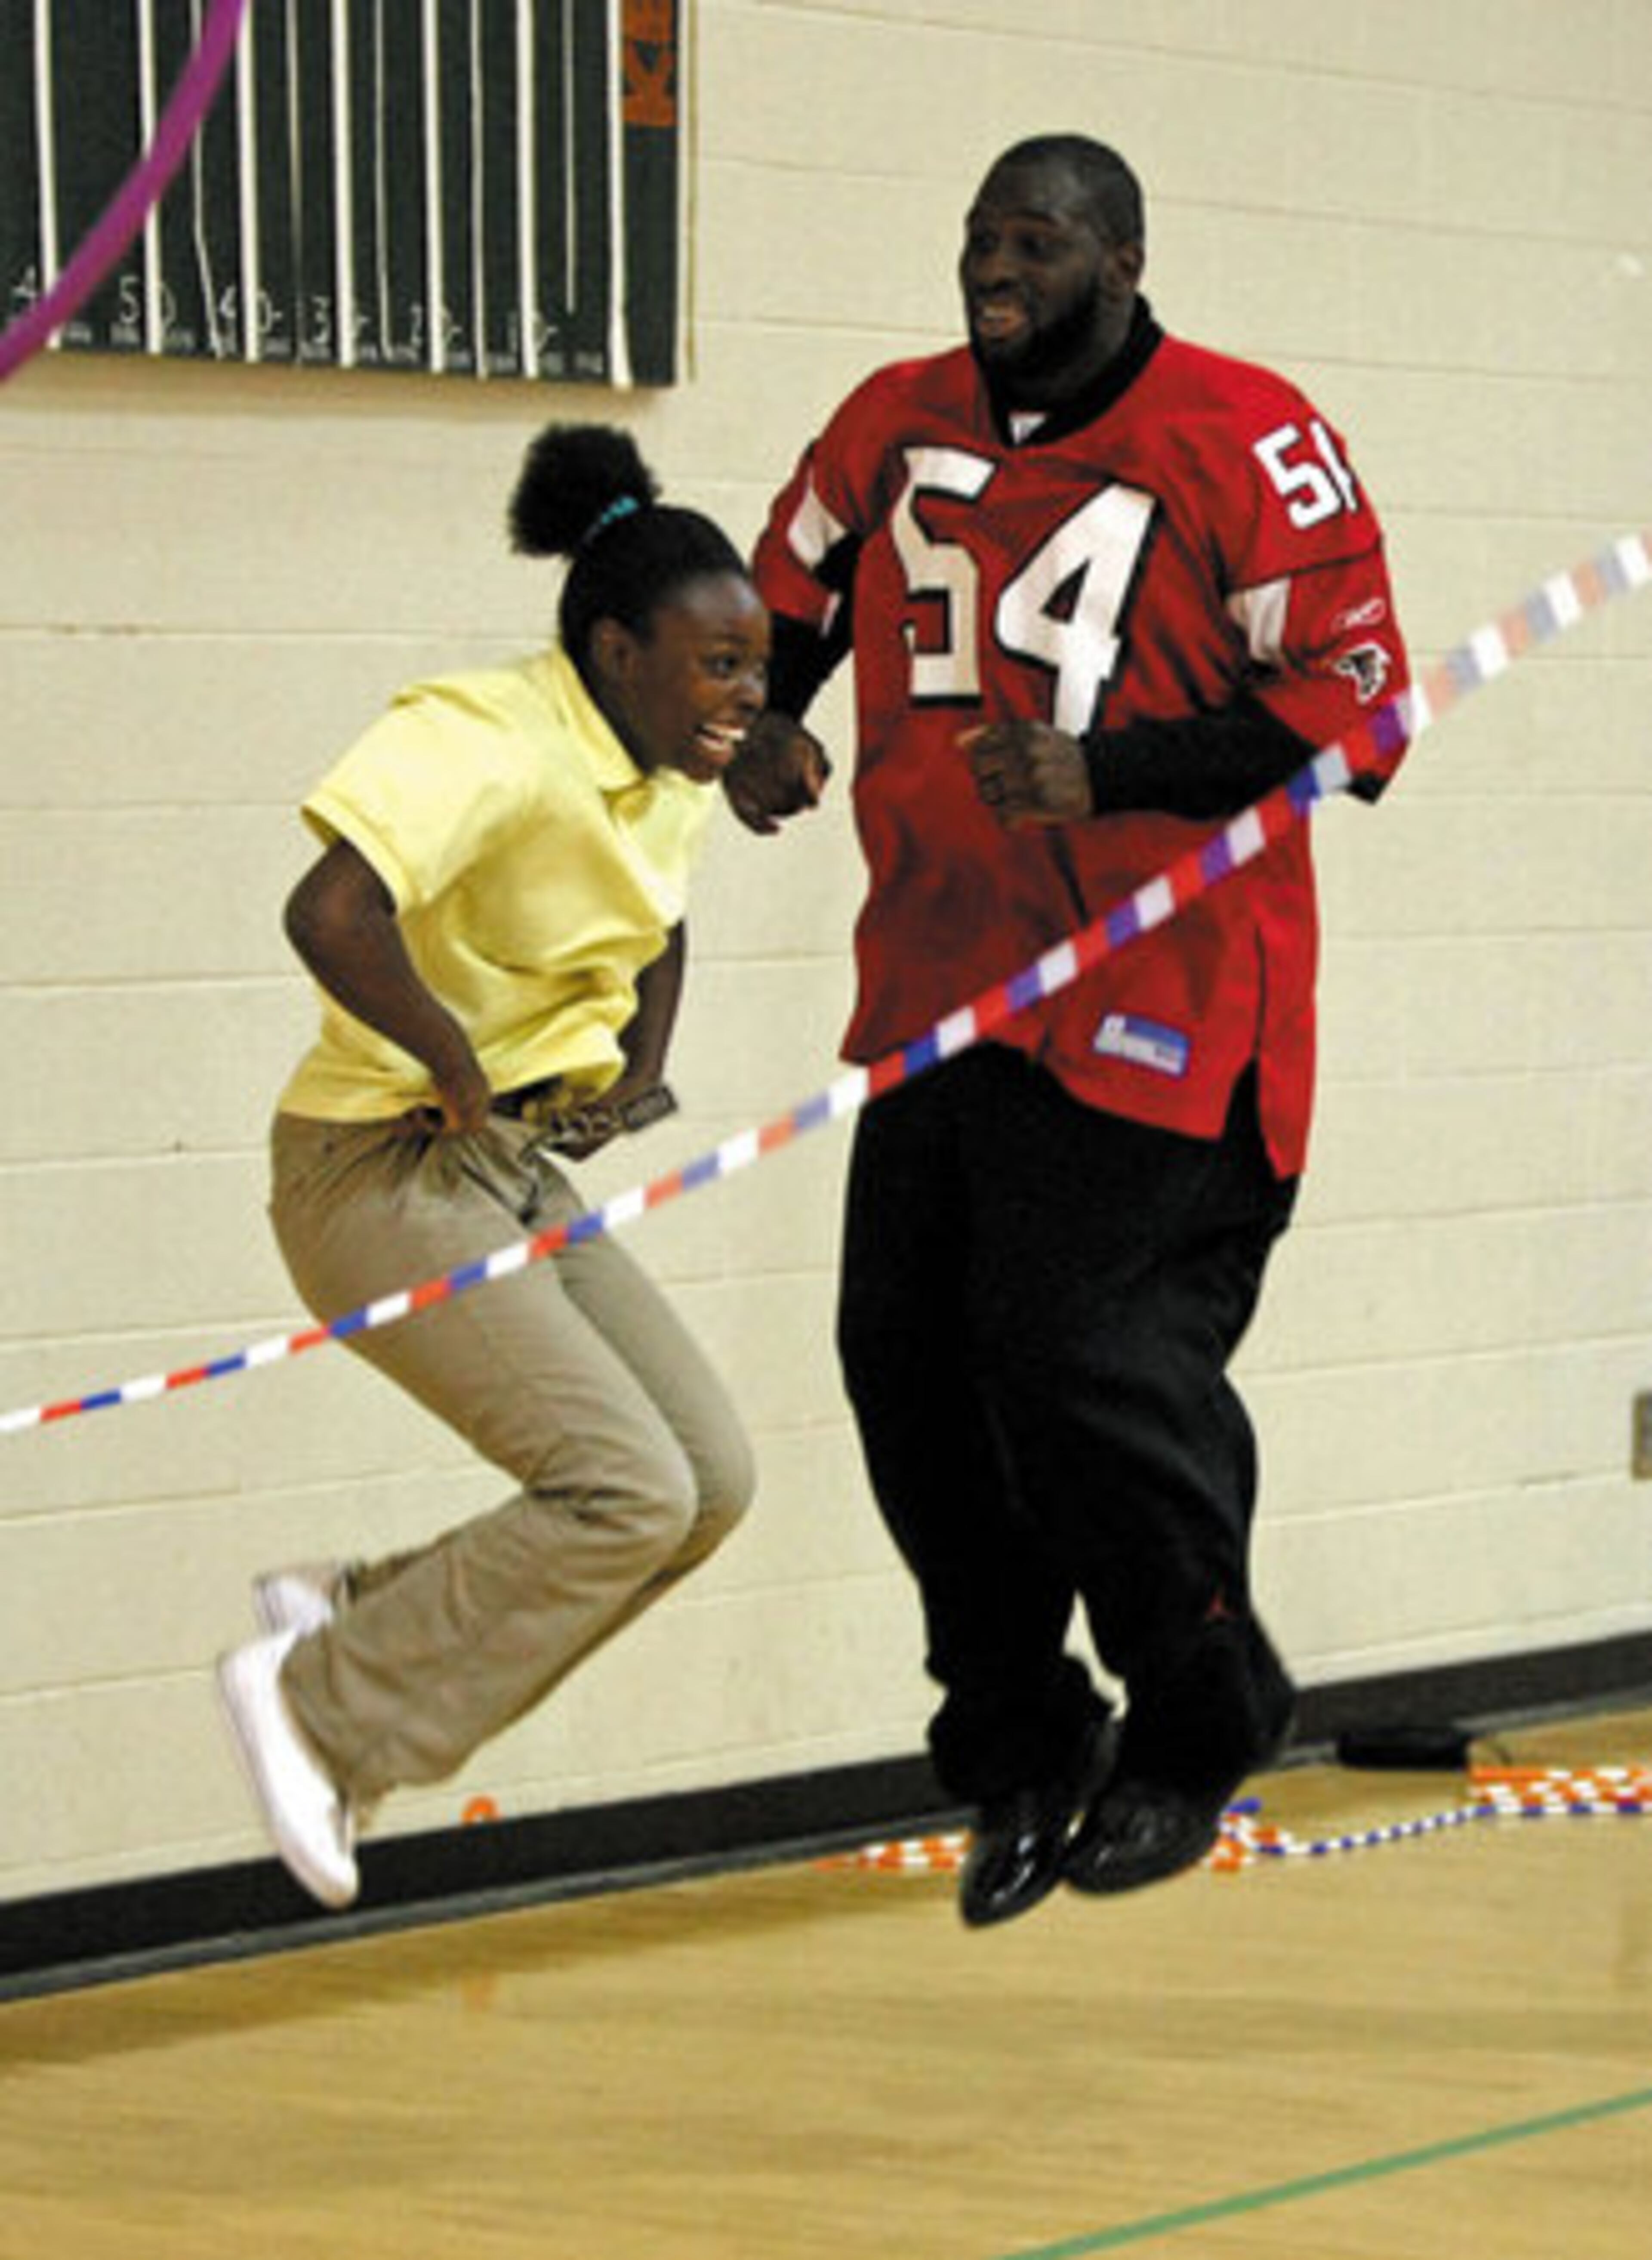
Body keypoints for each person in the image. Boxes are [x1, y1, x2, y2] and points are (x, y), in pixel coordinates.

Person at [727, 135, 1410, 1925]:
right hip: (941, 995)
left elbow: (1357, 711)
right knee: (905, 1367)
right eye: (978, 238)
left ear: (1122, 255)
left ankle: (1200, 1718)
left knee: (1075, 1361)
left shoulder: (1241, 435)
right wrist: (761, 731)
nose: (993, 267)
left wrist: (1106, 771)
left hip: (1168, 1006)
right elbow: (776, 601)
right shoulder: (893, 423)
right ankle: (1024, 1737)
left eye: (1033, 241)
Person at [216, 425, 768, 1910]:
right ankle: (321, 1711)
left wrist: (635, 1069)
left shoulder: (661, 766)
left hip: (510, 1168)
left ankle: (347, 1615)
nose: (746, 698)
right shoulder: (491, 739)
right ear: (614, 646)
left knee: (709, 1482)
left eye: (755, 667)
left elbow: (656, 919)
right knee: (621, 1486)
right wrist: (458, 1063)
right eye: (718, 665)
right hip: (375, 1170)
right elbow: (330, 912)